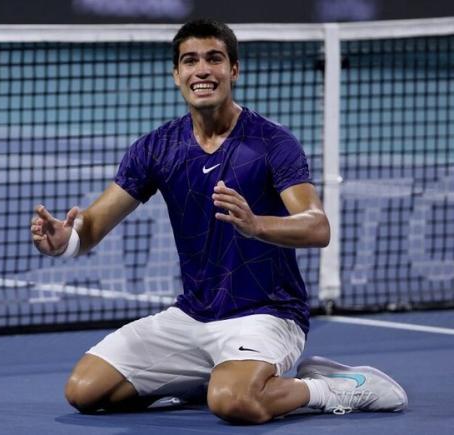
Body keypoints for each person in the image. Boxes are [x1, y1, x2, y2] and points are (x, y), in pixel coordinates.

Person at [30, 18, 407, 424]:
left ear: (233, 70)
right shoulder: (156, 147)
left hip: (267, 313)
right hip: (192, 315)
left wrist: (257, 224)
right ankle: (206, 378)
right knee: (84, 391)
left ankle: (334, 387)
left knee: (233, 403)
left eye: (214, 58)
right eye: (190, 61)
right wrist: (66, 240)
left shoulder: (272, 143)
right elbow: (93, 226)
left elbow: (318, 227)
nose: (202, 70)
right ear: (177, 75)